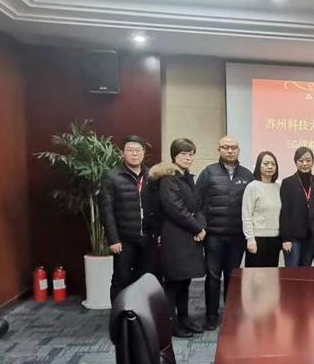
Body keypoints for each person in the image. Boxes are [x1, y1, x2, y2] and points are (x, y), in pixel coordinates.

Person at [149, 139, 206, 339]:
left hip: (189, 236)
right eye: (184, 154)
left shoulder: (187, 177)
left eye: (191, 154)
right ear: (174, 156)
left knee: (185, 281)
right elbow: (175, 209)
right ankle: (170, 324)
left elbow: (197, 206)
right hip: (175, 236)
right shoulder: (168, 179)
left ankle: (184, 319)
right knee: (174, 283)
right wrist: (197, 227)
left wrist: (202, 227)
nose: (188, 157)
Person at [197, 135, 253, 330]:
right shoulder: (208, 173)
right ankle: (211, 315)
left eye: (233, 147)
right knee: (213, 276)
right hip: (214, 236)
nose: (230, 151)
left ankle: (230, 314)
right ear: (219, 150)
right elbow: (198, 202)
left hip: (237, 236)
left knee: (233, 277)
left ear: (238, 150)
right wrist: (203, 227)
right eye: (226, 147)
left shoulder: (247, 175)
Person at [100, 135, 155, 301]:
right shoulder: (112, 176)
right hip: (124, 239)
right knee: (121, 279)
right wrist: (113, 239)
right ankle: (119, 314)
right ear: (122, 153)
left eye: (138, 150)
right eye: (130, 150)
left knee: (144, 279)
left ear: (144, 153)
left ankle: (139, 313)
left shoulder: (152, 175)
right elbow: (106, 210)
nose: (134, 154)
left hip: (147, 237)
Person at [242, 151, 282, 268]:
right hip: (257, 240)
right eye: (266, 163)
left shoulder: (278, 187)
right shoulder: (252, 187)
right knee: (255, 276)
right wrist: (250, 239)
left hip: (275, 239)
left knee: (271, 275)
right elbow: (246, 215)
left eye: (273, 164)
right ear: (259, 166)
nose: (270, 167)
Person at [280, 147, 314, 267]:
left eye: (308, 160)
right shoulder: (287, 183)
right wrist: (285, 238)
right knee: (292, 271)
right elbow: (285, 212)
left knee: (306, 271)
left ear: (313, 162)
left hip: (311, 236)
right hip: (293, 237)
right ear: (295, 162)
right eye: (301, 161)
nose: (305, 164)